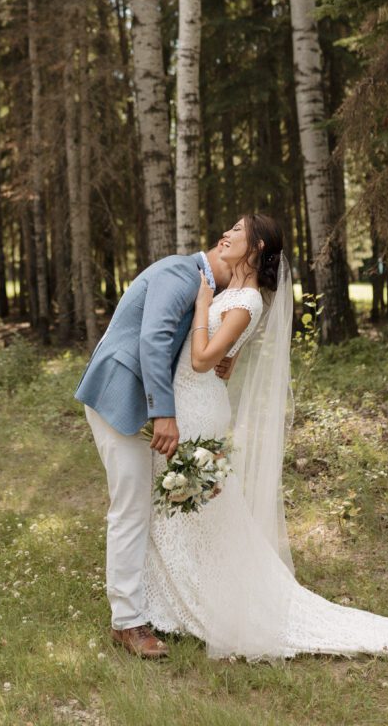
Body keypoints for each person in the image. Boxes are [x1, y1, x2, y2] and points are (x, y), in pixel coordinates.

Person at [141, 213, 388, 661]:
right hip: (192, 401)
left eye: (238, 231)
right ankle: (164, 600)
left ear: (257, 247)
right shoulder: (234, 294)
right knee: (183, 511)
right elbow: (221, 355)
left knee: (192, 508)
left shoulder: (245, 301)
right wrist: (226, 344)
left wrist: (203, 304)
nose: (227, 233)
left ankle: (201, 602)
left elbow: (202, 360)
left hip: (198, 410)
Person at [74, 243, 232, 658]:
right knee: (130, 508)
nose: (230, 238)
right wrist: (163, 412)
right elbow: (153, 338)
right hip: (119, 394)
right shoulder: (180, 273)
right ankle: (127, 623)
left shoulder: (201, 286)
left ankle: (151, 605)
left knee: (144, 506)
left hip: (134, 396)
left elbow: (182, 343)